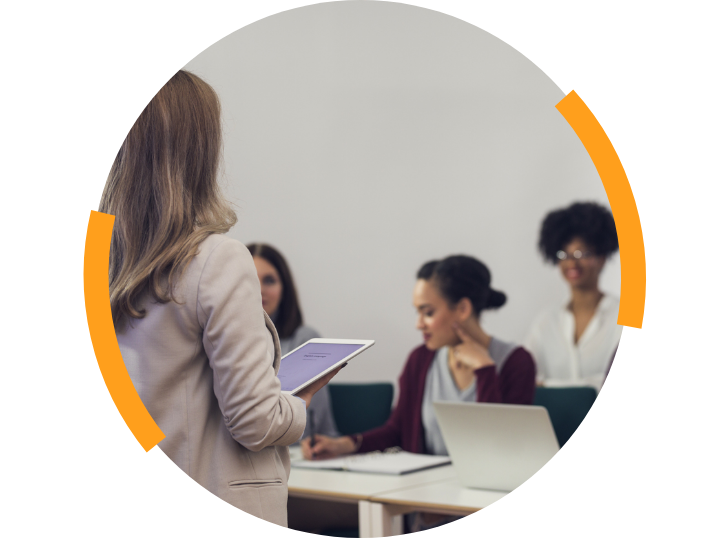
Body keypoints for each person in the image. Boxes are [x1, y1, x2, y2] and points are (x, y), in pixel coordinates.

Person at [101, 70, 339, 527]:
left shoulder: (100, 259)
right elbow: (257, 423)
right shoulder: (217, 259)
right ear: (199, 150)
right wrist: (299, 399)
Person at [301, 255, 536, 532]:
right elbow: (397, 429)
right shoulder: (420, 360)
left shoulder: (516, 362)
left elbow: (497, 448)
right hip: (425, 503)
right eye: (417, 312)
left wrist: (485, 370)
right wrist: (347, 444)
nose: (418, 324)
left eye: (427, 312)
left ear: (462, 308)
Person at [524, 201, 623, 393]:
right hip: (554, 422)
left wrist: (549, 386)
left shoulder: (623, 316)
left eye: (582, 253)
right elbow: (527, 378)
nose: (572, 263)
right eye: (564, 254)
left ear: (602, 258)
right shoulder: (546, 320)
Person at [247, 243, 340, 441]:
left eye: (269, 280)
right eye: (250, 280)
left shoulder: (304, 340)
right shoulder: (215, 345)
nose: (259, 289)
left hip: (294, 454)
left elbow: (312, 426)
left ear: (284, 289)